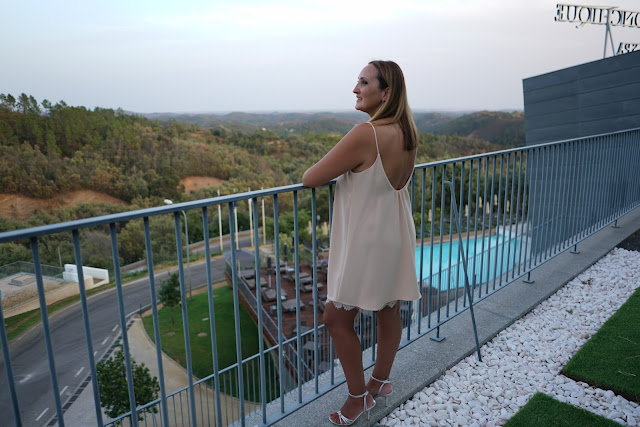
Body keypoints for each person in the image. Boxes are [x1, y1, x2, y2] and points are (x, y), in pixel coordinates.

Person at [302, 60, 420, 425]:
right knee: (388, 311)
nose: (355, 89)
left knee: (335, 319)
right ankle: (380, 382)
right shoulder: (406, 133)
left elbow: (310, 177)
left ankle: (358, 398)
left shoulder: (366, 134)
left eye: (364, 82)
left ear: (385, 93)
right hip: (393, 235)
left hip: (366, 241)